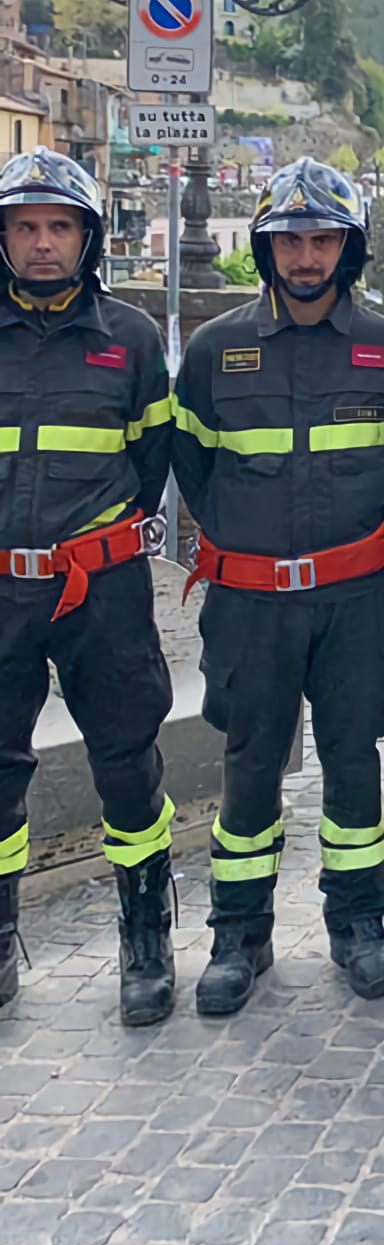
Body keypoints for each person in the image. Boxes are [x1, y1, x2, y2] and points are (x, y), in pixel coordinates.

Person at [172, 158, 384, 1014]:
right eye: (289, 241)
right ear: (267, 248)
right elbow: (194, 471)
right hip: (251, 601)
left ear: (347, 248)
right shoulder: (214, 350)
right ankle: (239, 934)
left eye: (321, 240)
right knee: (248, 764)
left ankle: (359, 923)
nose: (305, 257)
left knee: (355, 760)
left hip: (355, 599)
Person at [0, 149, 175, 1026]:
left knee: (124, 759)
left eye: (58, 227)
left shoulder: (132, 339)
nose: (40, 244)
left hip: (99, 590)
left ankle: (146, 933)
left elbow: (151, 469)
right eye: (25, 227)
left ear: (88, 237)